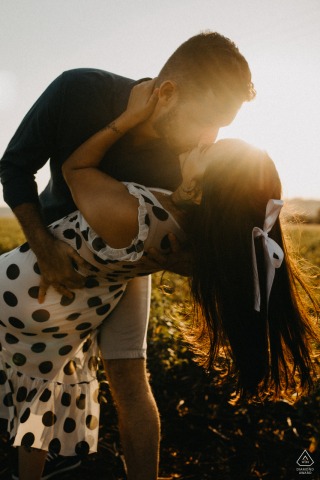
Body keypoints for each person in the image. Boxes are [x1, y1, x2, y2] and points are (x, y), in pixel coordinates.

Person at [1, 81, 319, 480]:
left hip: (26, 291)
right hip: (78, 302)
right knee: (50, 385)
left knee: (37, 388)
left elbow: (74, 170)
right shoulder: (198, 240)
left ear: (201, 189)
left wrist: (125, 121)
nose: (204, 141)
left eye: (209, 151)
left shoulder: (135, 216)